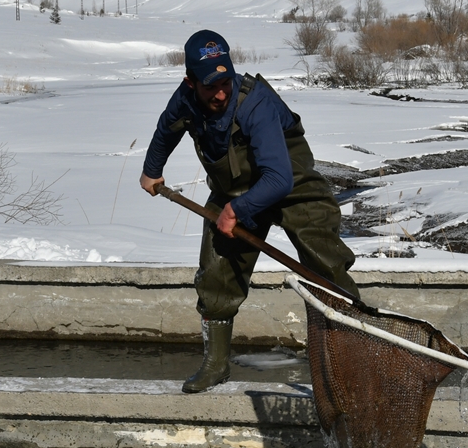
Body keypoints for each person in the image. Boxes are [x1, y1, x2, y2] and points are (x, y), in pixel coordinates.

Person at [140, 29, 358, 393]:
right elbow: (167, 130)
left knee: (326, 270)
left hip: (292, 188)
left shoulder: (254, 104)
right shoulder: (185, 100)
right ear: (190, 81)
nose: (221, 92)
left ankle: (352, 360)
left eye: (225, 81)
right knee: (216, 277)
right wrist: (152, 169)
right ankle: (216, 364)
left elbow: (278, 178)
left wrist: (236, 211)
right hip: (233, 193)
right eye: (211, 86)